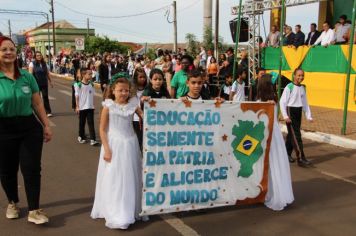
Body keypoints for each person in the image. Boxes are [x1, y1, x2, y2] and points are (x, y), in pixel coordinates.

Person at [0, 36, 52, 224]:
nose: (8, 52)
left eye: (11, 49)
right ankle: (12, 202)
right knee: (6, 170)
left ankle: (34, 210)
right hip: (3, 129)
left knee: (31, 169)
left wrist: (46, 124)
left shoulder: (26, 76)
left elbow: (37, 103)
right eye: (4, 49)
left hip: (29, 127)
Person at [91, 76, 147, 230]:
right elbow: (102, 130)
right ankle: (115, 209)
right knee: (114, 177)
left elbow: (145, 117)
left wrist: (149, 107)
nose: (123, 93)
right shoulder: (108, 106)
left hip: (130, 144)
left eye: (126, 90)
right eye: (120, 90)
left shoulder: (133, 105)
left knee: (130, 176)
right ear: (113, 90)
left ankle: (128, 208)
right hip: (114, 145)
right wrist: (107, 149)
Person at [256, 74, 294, 211]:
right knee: (275, 164)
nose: (276, 86)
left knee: (269, 164)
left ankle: (272, 194)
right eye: (273, 84)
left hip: (267, 134)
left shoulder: (265, 101)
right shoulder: (273, 100)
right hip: (274, 135)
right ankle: (275, 192)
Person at [280, 68, 313, 167]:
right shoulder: (289, 87)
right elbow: (282, 102)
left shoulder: (302, 88)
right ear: (294, 75)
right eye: (299, 75)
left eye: (302, 75)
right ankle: (301, 158)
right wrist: (285, 116)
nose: (301, 77)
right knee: (297, 136)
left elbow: (305, 103)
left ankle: (286, 154)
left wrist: (309, 116)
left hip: (298, 112)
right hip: (290, 111)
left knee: (292, 135)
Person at [74, 68, 99, 146]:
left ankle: (93, 139)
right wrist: (77, 106)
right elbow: (77, 96)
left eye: (91, 74)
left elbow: (92, 95)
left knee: (91, 123)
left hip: (90, 107)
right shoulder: (78, 84)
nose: (91, 75)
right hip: (82, 107)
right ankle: (81, 136)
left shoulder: (91, 84)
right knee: (82, 123)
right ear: (83, 75)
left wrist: (93, 104)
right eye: (89, 74)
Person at [29, 51, 53, 117]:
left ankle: (48, 112)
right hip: (36, 84)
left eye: (40, 55)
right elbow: (30, 75)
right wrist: (30, 84)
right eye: (37, 55)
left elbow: (47, 73)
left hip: (44, 83)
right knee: (37, 98)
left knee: (45, 97)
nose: (39, 56)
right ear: (35, 57)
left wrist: (50, 81)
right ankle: (38, 112)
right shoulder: (32, 64)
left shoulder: (44, 64)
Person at [132, 68, 147, 150]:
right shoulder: (132, 90)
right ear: (136, 78)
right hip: (135, 119)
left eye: (144, 77)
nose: (142, 79)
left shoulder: (148, 89)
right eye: (140, 77)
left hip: (146, 118)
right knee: (138, 140)